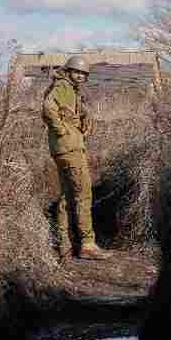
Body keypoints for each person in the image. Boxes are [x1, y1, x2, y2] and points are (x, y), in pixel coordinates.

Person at [41, 55, 112, 261]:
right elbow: (48, 108)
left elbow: (65, 110)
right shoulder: (63, 86)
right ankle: (87, 244)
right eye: (77, 72)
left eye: (83, 73)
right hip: (70, 148)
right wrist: (63, 130)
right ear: (69, 71)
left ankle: (64, 245)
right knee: (84, 194)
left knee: (67, 196)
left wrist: (83, 117)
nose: (80, 76)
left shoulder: (68, 89)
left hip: (62, 149)